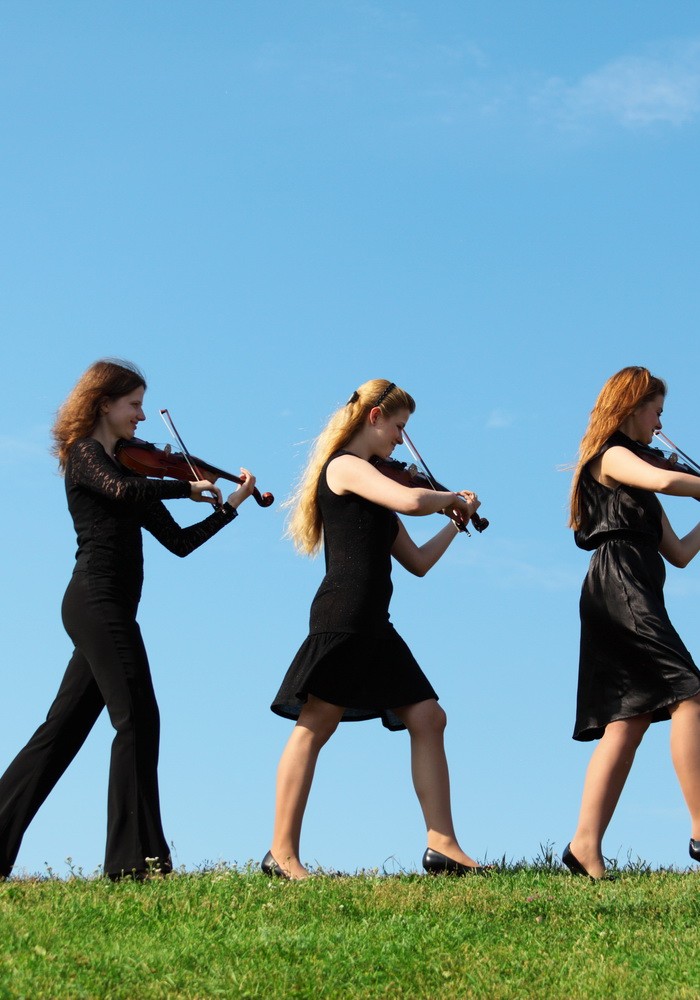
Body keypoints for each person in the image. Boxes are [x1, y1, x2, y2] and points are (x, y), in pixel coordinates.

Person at [0, 359, 256, 881]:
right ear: (104, 405)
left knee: (60, 734)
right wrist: (185, 488)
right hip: (96, 602)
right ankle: (134, 864)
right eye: (135, 404)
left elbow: (179, 543)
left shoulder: (130, 467)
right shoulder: (87, 456)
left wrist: (228, 504)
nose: (142, 416)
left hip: (111, 606)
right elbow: (122, 494)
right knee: (138, 718)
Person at [263, 378, 484, 879]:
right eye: (399, 427)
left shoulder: (380, 484)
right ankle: (281, 852)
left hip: (375, 623)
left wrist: (454, 520)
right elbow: (411, 502)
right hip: (343, 617)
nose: (401, 441)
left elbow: (418, 562)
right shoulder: (345, 468)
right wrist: (447, 495)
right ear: (374, 417)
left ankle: (443, 845)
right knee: (316, 724)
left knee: (428, 717)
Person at [564, 365, 700, 880]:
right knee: (689, 692)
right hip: (619, 583)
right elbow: (668, 477)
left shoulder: (639, 483)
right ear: (631, 407)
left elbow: (682, 552)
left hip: (636, 584)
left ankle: (584, 846)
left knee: (629, 718)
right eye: (656, 411)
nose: (660, 424)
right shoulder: (614, 456)